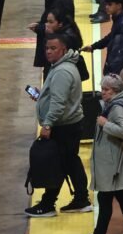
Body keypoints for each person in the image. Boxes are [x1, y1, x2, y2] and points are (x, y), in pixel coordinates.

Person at [27, 35, 93, 217]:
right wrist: (42, 95)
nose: (48, 51)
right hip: (69, 124)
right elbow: (59, 96)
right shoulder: (63, 66)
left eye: (53, 48)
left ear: (63, 49)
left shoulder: (62, 71)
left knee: (60, 163)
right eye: (47, 48)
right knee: (69, 162)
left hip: (63, 126)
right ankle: (80, 199)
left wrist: (48, 124)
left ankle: (49, 204)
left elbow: (58, 103)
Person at [78, 74, 123, 234]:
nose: (103, 92)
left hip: (114, 165)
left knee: (106, 200)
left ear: (115, 91)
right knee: (122, 199)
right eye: (102, 89)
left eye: (106, 90)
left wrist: (105, 124)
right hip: (115, 163)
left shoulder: (117, 108)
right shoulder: (116, 104)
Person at [31, 3, 87, 81]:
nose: (47, 25)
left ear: (60, 24)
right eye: (47, 21)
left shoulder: (64, 39)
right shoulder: (65, 32)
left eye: (51, 22)